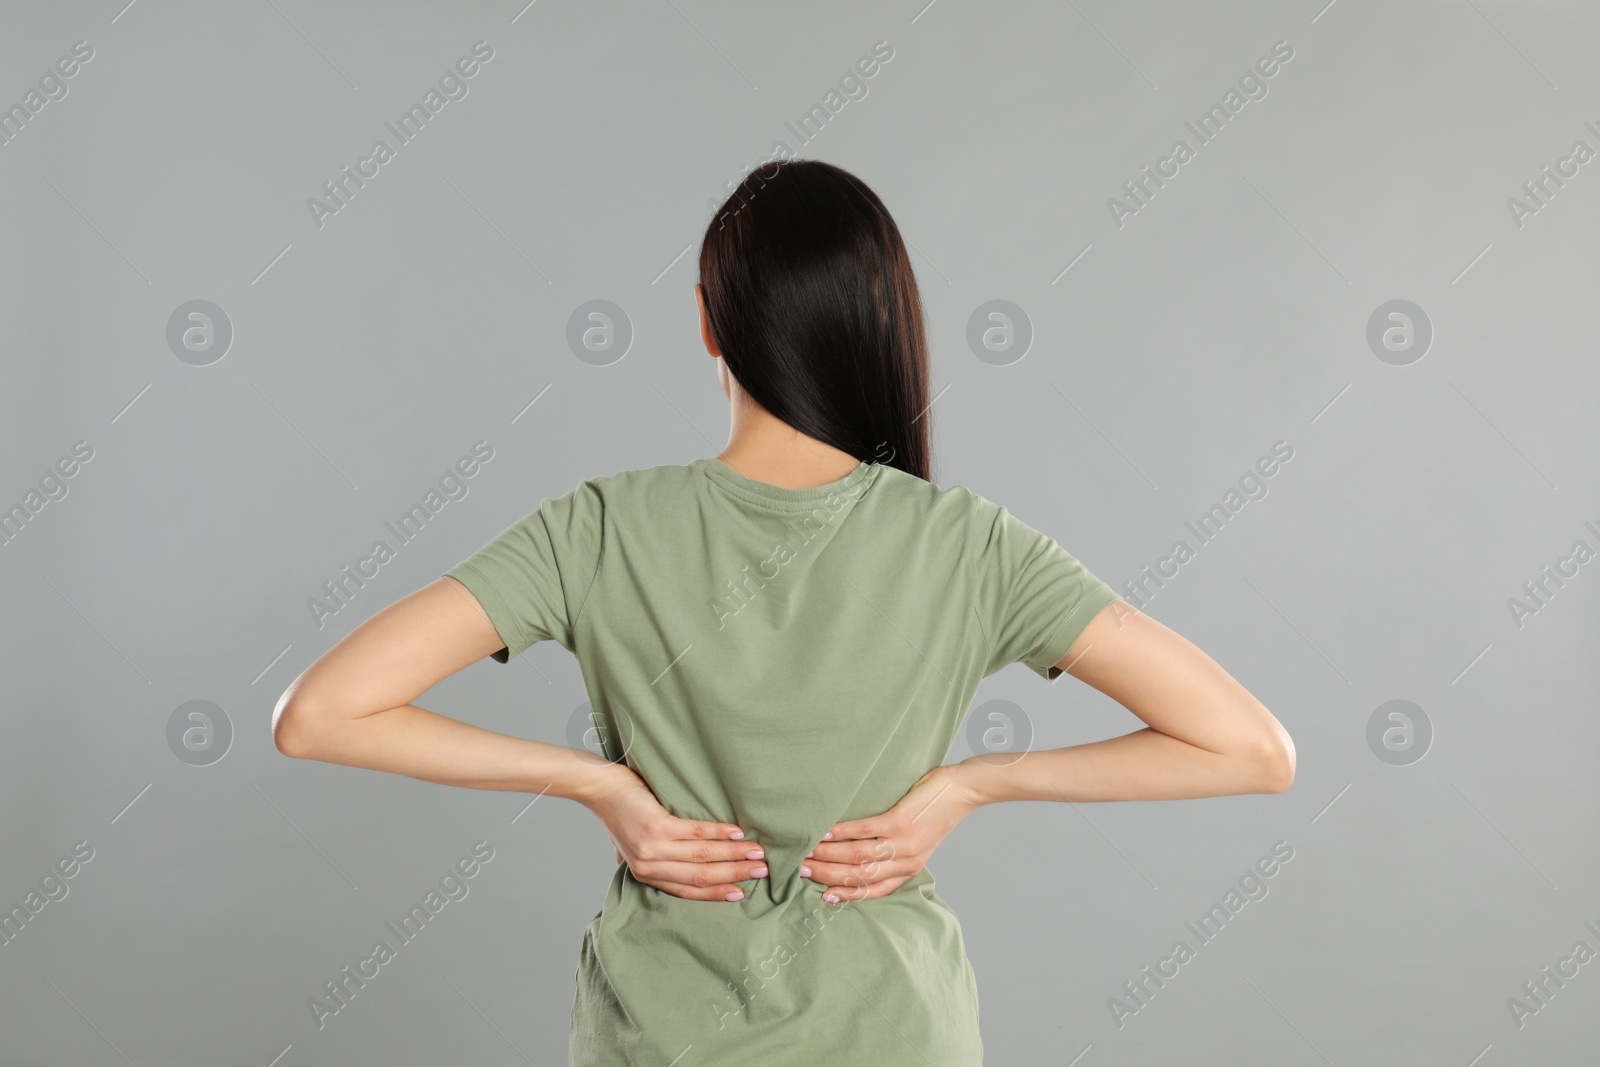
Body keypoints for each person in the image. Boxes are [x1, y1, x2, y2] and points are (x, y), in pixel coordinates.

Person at [271, 159, 1295, 1066]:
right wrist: (971, 785)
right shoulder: (969, 543)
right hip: (895, 1031)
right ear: (878, 321)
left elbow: (318, 713)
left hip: (662, 1031)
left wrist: (595, 783)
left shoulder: (599, 527)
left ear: (709, 321)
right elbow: (1251, 748)